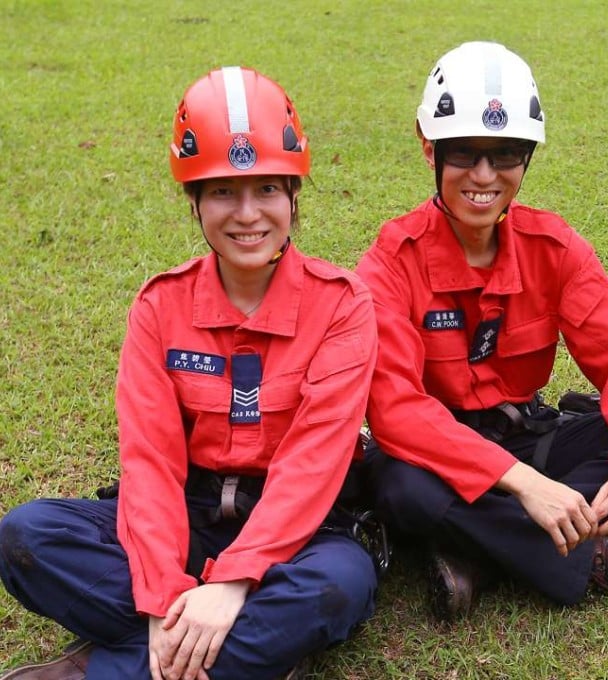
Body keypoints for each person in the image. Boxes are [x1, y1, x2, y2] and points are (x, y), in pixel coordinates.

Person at [0, 66, 379, 679]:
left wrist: (233, 581)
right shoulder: (160, 306)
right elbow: (150, 462)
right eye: (224, 191)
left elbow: (313, 462)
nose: (248, 214)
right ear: (194, 200)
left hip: (298, 533)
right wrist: (158, 597)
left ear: (293, 195)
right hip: (188, 514)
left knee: (338, 587)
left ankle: (107, 667)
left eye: (266, 190)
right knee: (27, 536)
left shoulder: (343, 305)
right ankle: (240, 646)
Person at [355, 41, 608, 621]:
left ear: (527, 157)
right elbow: (397, 411)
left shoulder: (553, 248)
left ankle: (478, 555)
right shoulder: (389, 264)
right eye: (465, 154)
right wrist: (524, 484)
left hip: (529, 435)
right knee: (403, 491)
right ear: (430, 148)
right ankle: (599, 558)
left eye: (504, 155)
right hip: (440, 457)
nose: (484, 175)